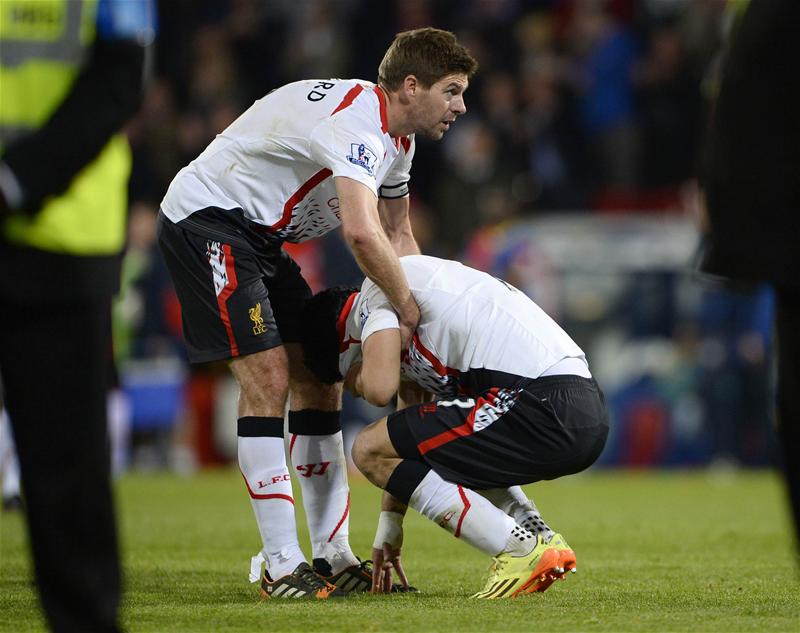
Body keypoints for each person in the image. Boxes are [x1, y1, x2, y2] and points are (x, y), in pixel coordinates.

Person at [157, 28, 478, 599]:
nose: (460, 107)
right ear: (411, 86)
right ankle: (281, 563)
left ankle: (332, 555)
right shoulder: (358, 124)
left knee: (319, 377)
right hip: (208, 220)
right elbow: (362, 232)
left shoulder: (397, 142)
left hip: (262, 237)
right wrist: (405, 308)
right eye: (451, 91)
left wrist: (427, 312)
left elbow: (399, 234)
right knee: (267, 378)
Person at [299, 255, 610, 598]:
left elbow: (379, 389)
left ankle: (517, 549)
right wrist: (390, 525)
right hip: (580, 406)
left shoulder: (375, 298)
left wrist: (358, 377)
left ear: (345, 345)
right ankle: (539, 536)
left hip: (538, 401)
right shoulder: (407, 302)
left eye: (346, 379)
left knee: (364, 447)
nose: (352, 390)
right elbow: (406, 436)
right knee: (442, 443)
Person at [0, 0, 155, 630]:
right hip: (61, 239)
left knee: (68, 479)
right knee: (69, 474)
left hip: (58, 240)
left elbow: (120, 78)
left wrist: (15, 181)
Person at [699, 0, 800, 551]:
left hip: (761, 255)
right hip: (755, 260)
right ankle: (731, 452)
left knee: (763, 382)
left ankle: (750, 453)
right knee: (728, 377)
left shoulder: (763, 25)